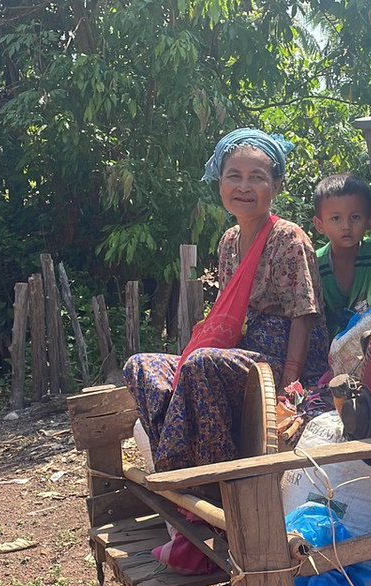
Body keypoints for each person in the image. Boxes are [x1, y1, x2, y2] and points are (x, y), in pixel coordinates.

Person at [121, 128, 329, 473]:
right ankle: (178, 461)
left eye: (257, 178)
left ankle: (214, 473)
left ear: (275, 187)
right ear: (220, 184)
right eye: (234, 176)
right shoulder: (229, 242)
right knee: (142, 366)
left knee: (202, 363)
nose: (244, 187)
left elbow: (304, 315)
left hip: (279, 361)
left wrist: (290, 384)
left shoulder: (288, 238)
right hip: (239, 353)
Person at [312, 173, 371, 338]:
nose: (346, 226)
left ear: (369, 220)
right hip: (328, 343)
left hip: (368, 336)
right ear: (320, 225)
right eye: (336, 218)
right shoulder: (316, 262)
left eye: (355, 217)